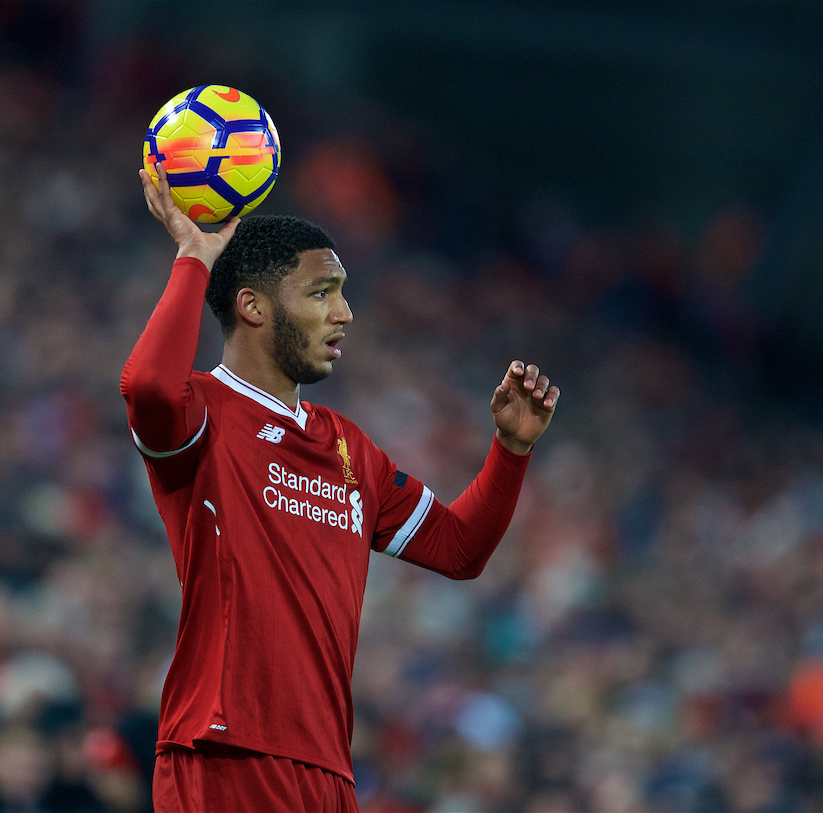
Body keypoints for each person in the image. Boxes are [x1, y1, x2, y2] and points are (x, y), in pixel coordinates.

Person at [121, 163, 560, 813]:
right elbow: (148, 385)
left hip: (326, 770)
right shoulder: (202, 413)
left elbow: (460, 550)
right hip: (224, 754)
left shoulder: (351, 449)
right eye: (323, 292)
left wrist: (512, 449)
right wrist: (194, 257)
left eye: (343, 292)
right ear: (254, 306)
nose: (345, 313)